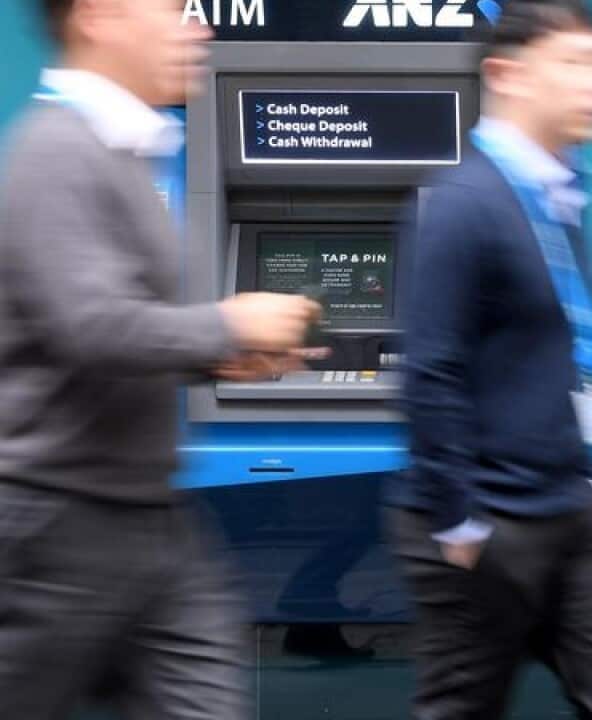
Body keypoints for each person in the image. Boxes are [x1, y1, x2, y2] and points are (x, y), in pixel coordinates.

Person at [0, 0, 323, 717]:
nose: (197, 27)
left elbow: (115, 328)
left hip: (149, 515)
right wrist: (227, 324)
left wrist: (218, 359)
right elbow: (90, 325)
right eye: (173, 9)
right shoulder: (56, 151)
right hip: (57, 519)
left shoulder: (120, 151)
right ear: (99, 17)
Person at [385, 1, 592, 717]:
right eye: (577, 64)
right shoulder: (458, 200)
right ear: (507, 75)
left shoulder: (560, 197)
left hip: (570, 510)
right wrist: (460, 526)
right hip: (487, 521)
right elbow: (431, 369)